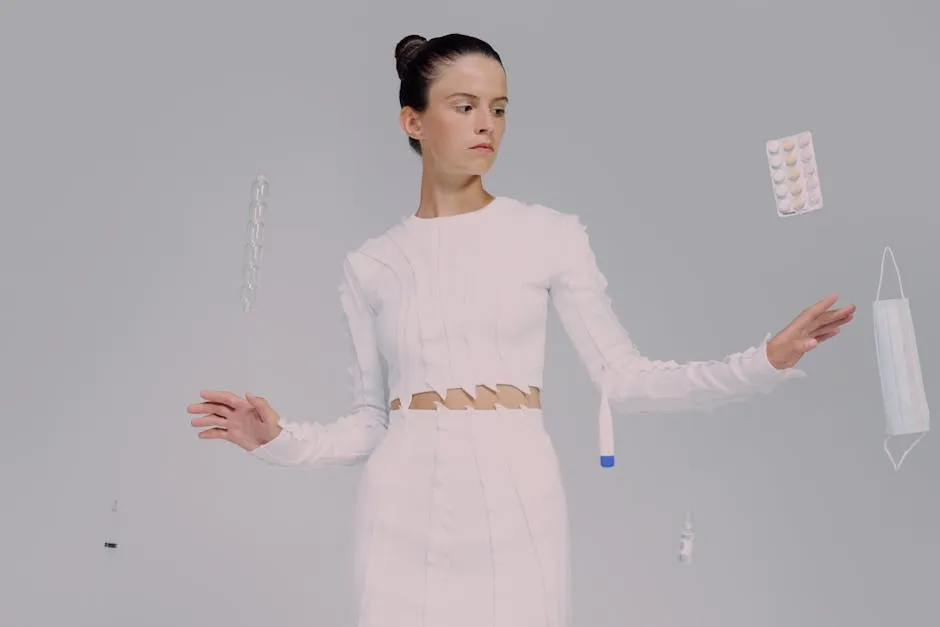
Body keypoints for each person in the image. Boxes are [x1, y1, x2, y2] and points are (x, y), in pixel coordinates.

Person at [187, 33, 855, 627]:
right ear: (412, 120)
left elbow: (624, 380)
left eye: (499, 108)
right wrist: (277, 439)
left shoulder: (550, 236)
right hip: (399, 506)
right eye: (465, 105)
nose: (488, 125)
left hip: (518, 498)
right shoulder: (370, 266)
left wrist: (761, 360)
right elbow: (371, 423)